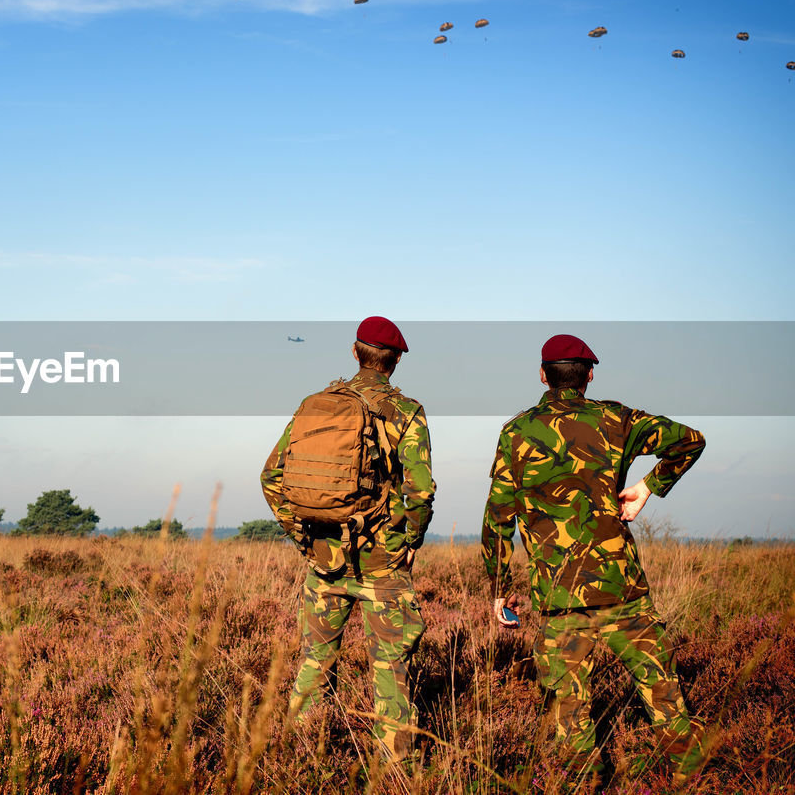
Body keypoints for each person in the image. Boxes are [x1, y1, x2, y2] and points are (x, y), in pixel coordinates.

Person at [482, 333, 706, 783]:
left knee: (569, 719)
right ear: (588, 377)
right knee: (664, 700)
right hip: (622, 589)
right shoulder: (616, 419)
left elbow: (497, 518)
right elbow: (690, 441)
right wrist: (647, 488)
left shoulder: (517, 432)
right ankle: (694, 778)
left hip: (558, 596)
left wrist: (500, 588)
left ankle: (586, 783)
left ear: (543, 375)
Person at [260, 316, 435, 762]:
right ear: (394, 361)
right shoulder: (406, 411)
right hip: (382, 563)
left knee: (315, 663)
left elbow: (271, 476)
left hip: (323, 559)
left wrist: (303, 537)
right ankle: (394, 772)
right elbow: (420, 490)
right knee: (392, 669)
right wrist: (408, 542)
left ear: (354, 352)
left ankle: (296, 756)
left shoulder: (315, 404)